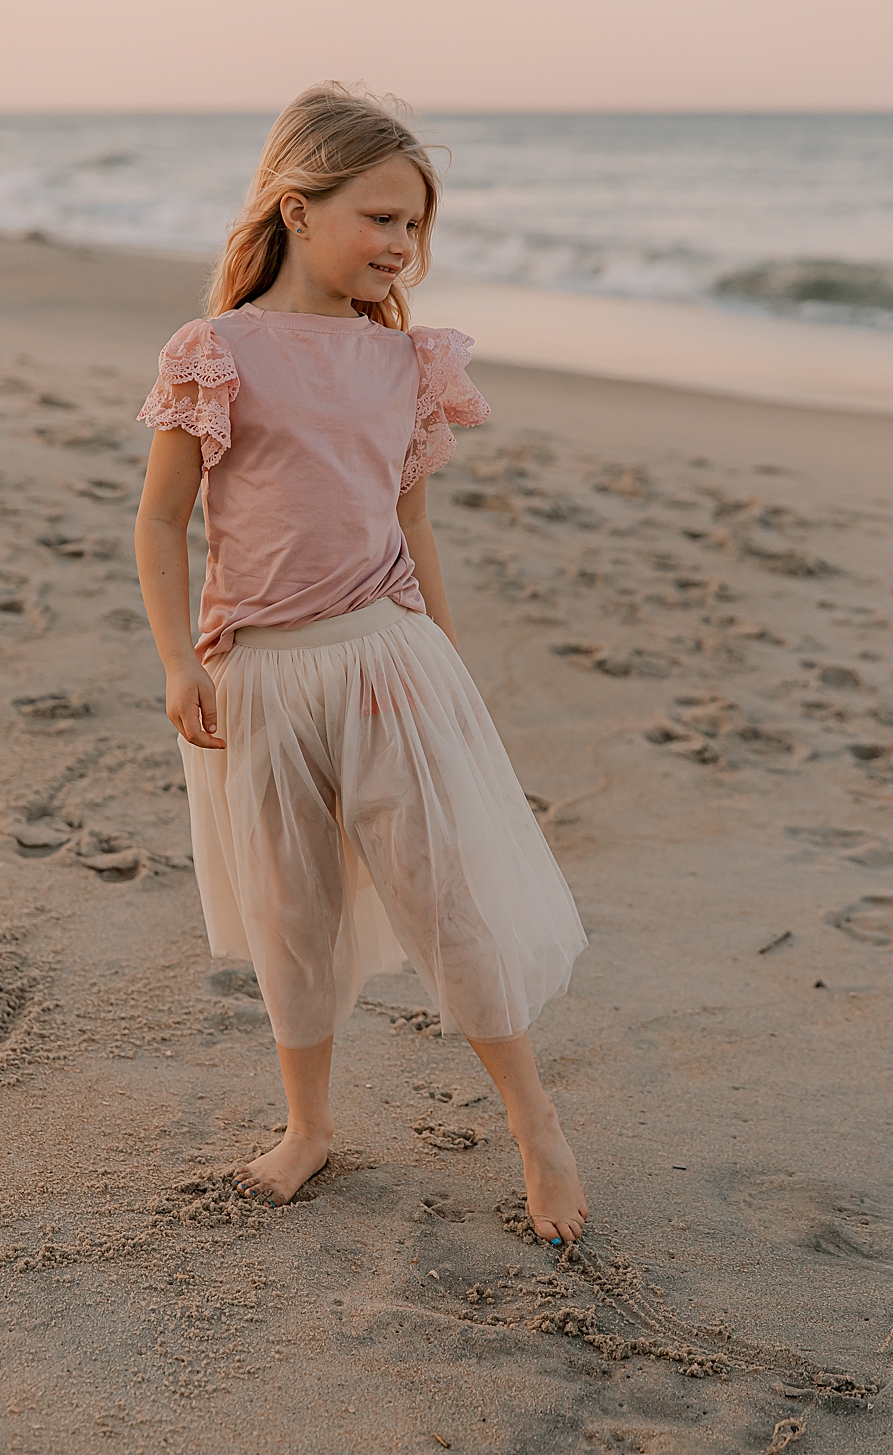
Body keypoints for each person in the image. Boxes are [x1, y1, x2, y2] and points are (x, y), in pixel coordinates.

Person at [133, 83, 589, 1246]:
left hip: (387, 659)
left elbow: (412, 522)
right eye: (380, 218)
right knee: (293, 902)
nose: (400, 246)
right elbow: (160, 521)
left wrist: (442, 647)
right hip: (261, 673)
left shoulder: (408, 364)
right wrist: (177, 661)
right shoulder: (215, 351)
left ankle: (534, 1123)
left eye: (415, 228)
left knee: (443, 897)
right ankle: (308, 1124)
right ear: (295, 208)